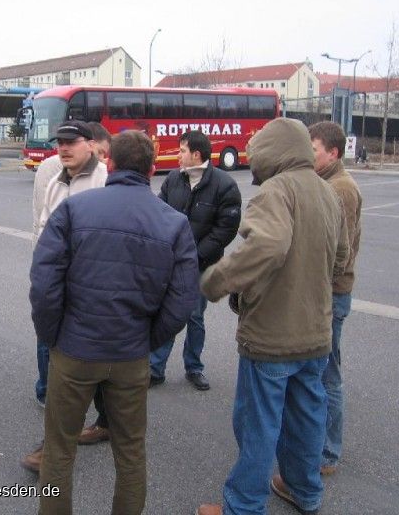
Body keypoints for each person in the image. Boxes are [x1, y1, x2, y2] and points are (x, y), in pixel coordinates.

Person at [31, 130, 199, 515]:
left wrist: (53, 336)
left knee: (59, 450)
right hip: (130, 354)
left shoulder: (73, 210)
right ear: (152, 170)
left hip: (74, 350)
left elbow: (44, 283)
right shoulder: (174, 223)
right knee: (130, 453)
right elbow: (182, 300)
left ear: (109, 162)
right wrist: (147, 339)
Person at [195, 118, 348, 515]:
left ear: (271, 151)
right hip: (315, 334)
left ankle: (243, 506)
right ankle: (304, 490)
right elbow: (342, 258)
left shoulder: (276, 190)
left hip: (272, 336)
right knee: (306, 419)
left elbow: (269, 246)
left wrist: (217, 280)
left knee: (258, 426)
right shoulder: (327, 191)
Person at [23, 121, 111, 473]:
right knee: (61, 357)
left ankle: (57, 448)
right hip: (58, 285)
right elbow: (45, 230)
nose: (63, 147)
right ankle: (101, 421)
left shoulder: (104, 181)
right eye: (60, 142)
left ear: (90, 144)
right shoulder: (55, 181)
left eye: (71, 142)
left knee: (78, 365)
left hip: (90, 288)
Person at [149, 130, 241, 391]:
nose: (177, 156)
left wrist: (195, 255)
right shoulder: (173, 179)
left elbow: (225, 230)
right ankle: (155, 369)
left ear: (196, 154)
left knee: (195, 317)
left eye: (182, 151)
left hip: (202, 265)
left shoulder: (224, 184)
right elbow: (159, 214)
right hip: (172, 262)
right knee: (166, 314)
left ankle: (194, 367)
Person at [309, 121, 363, 476]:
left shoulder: (340, 189)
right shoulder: (326, 182)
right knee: (320, 371)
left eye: (313, 150)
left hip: (331, 294)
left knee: (328, 374)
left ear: (333, 152)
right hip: (326, 292)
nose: (308, 155)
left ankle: (327, 454)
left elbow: (336, 254)